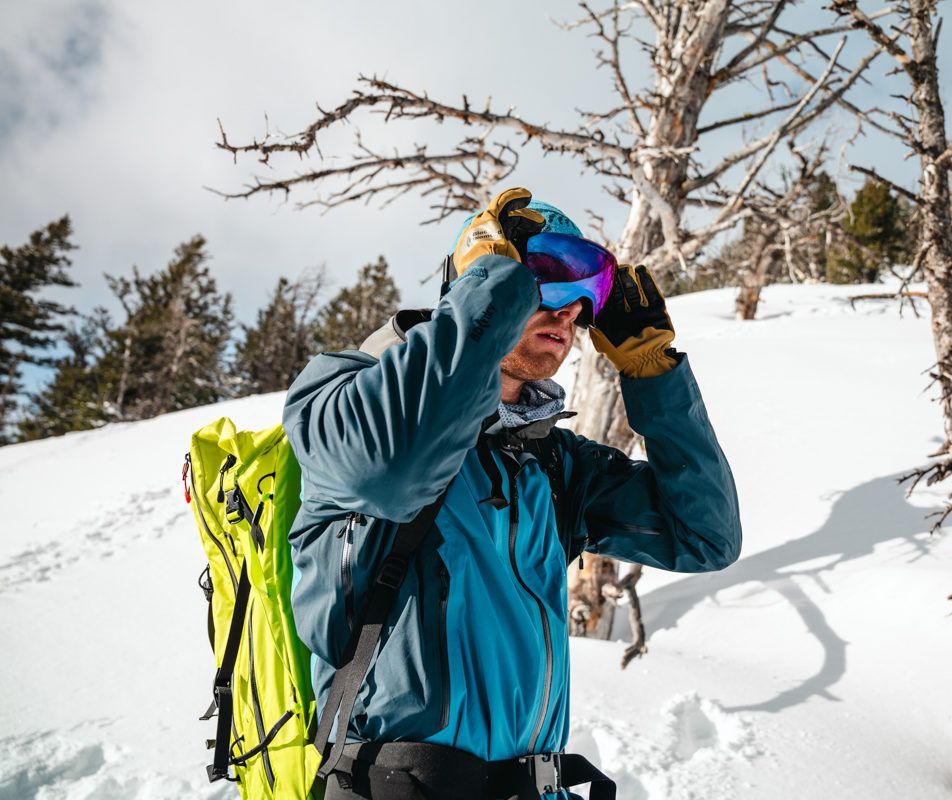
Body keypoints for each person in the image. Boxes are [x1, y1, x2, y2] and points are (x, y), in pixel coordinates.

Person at [283, 188, 741, 799]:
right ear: (483, 276)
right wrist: (488, 301)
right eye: (544, 282)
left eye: (586, 298)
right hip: (394, 787)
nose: (569, 311)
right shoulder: (341, 392)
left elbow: (705, 537)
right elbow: (391, 470)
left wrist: (654, 373)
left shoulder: (552, 463)